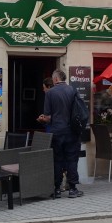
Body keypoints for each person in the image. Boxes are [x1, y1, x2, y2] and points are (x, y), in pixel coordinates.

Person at [37, 70, 82, 198]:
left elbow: (47, 116)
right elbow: (78, 111)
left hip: (56, 132)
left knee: (57, 160)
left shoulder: (50, 93)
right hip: (71, 132)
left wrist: (42, 119)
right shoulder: (72, 91)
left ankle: (57, 189)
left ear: (56, 79)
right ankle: (73, 188)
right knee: (72, 160)